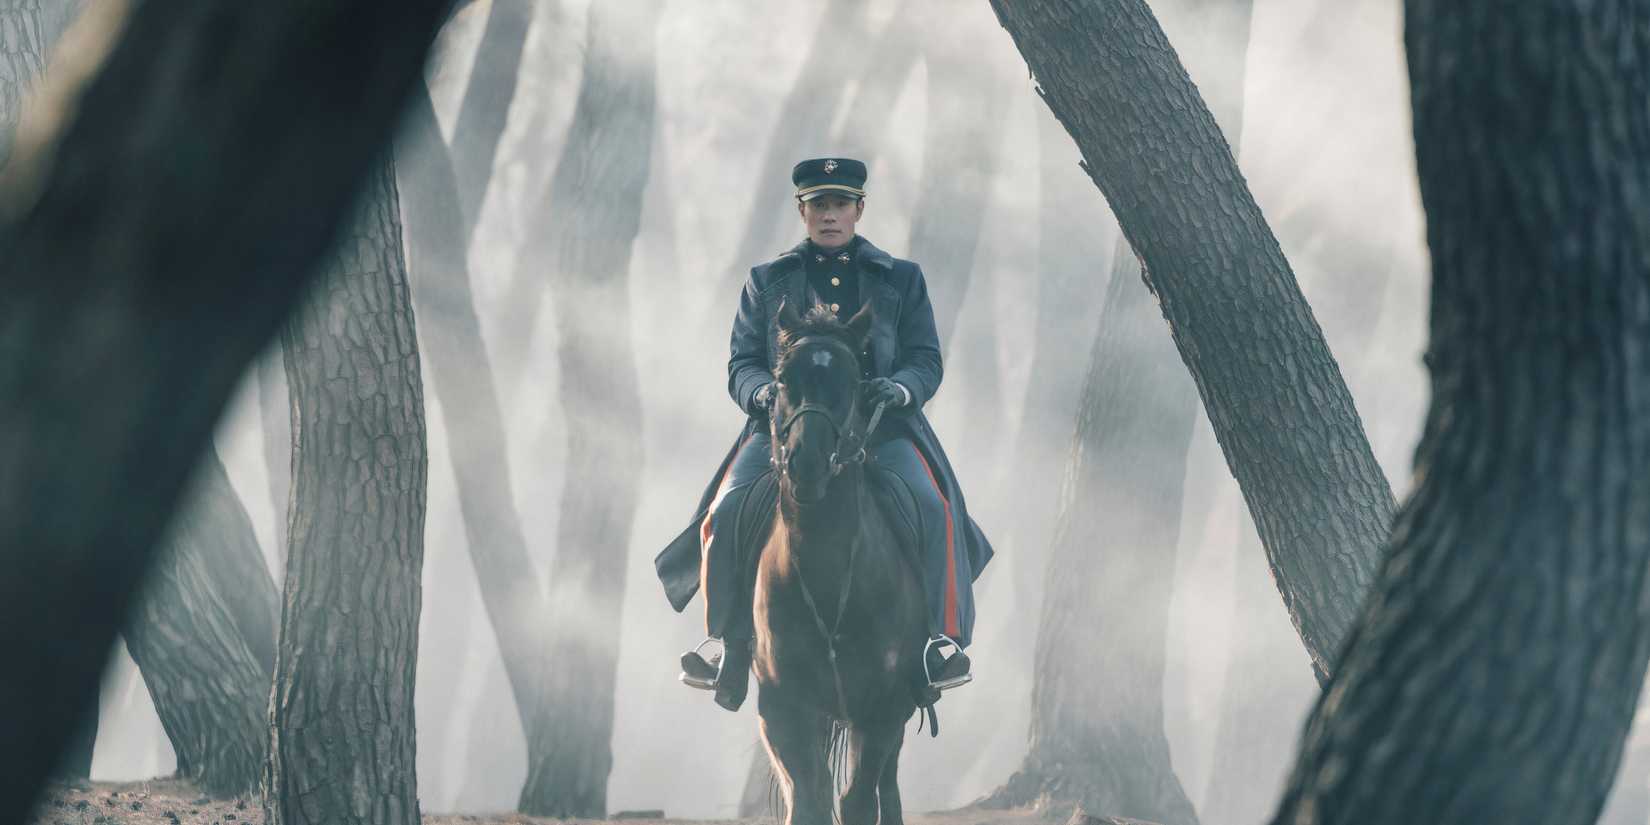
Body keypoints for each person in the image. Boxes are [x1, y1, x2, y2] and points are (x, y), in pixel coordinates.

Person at [654, 157, 993, 711]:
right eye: (818, 205)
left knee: (935, 509)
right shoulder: (766, 281)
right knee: (725, 510)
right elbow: (742, 363)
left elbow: (925, 359)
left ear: (859, 209)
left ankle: (941, 640)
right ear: (802, 211)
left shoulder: (901, 278)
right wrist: (763, 394)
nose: (829, 215)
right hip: (787, 431)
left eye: (839, 204)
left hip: (881, 431)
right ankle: (726, 643)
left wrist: (900, 389)